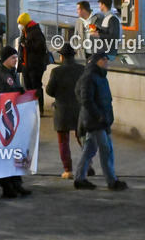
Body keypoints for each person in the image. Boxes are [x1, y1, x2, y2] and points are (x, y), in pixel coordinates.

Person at [73, 52, 128, 191]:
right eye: (104, 59)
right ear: (96, 61)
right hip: (95, 121)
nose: (107, 61)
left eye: (107, 59)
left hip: (102, 120)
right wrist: (98, 116)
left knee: (89, 150)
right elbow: (86, 100)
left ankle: (79, 178)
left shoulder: (100, 76)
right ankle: (111, 181)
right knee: (106, 149)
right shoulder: (89, 77)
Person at [0, 46, 32, 198]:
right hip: (4, 120)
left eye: (16, 58)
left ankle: (17, 183)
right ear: (6, 59)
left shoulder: (12, 74)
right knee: (5, 154)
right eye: (13, 58)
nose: (16, 60)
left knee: (16, 151)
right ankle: (7, 186)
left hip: (14, 117)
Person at [45, 43, 83, 180]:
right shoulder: (82, 69)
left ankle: (68, 170)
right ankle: (87, 165)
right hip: (79, 109)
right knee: (82, 138)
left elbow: (49, 90)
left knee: (63, 141)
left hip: (62, 110)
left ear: (61, 57)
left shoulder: (57, 71)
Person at [17, 12, 48, 114]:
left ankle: (39, 109)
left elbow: (40, 47)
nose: (19, 25)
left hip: (35, 65)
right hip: (26, 64)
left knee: (36, 87)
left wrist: (27, 46)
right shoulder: (25, 30)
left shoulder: (35, 31)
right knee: (28, 87)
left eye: (20, 23)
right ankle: (31, 108)